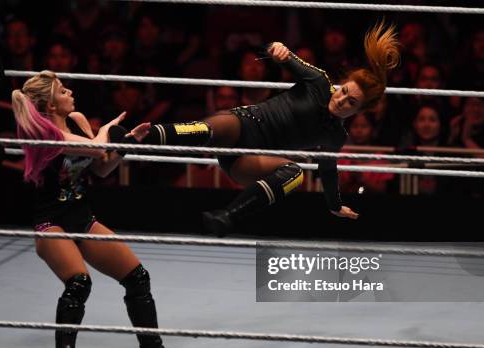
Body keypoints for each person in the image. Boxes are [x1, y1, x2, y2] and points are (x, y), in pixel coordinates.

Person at [123, 21, 400, 236]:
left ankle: (226, 217)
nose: (341, 101)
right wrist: (276, 48)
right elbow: (278, 52)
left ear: (359, 111)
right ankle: (141, 137)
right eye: (344, 92)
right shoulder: (318, 81)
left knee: (294, 174)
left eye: (351, 103)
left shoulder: (335, 135)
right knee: (206, 129)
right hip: (242, 124)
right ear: (342, 83)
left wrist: (334, 205)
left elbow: (327, 170)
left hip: (248, 159)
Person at [11, 71, 187, 348]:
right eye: (63, 91)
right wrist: (106, 130)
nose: (71, 94)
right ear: (51, 105)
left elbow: (103, 167)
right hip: (51, 222)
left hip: (82, 216)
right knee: (79, 282)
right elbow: (95, 149)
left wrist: (128, 142)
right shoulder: (48, 135)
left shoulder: (77, 121)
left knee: (137, 276)